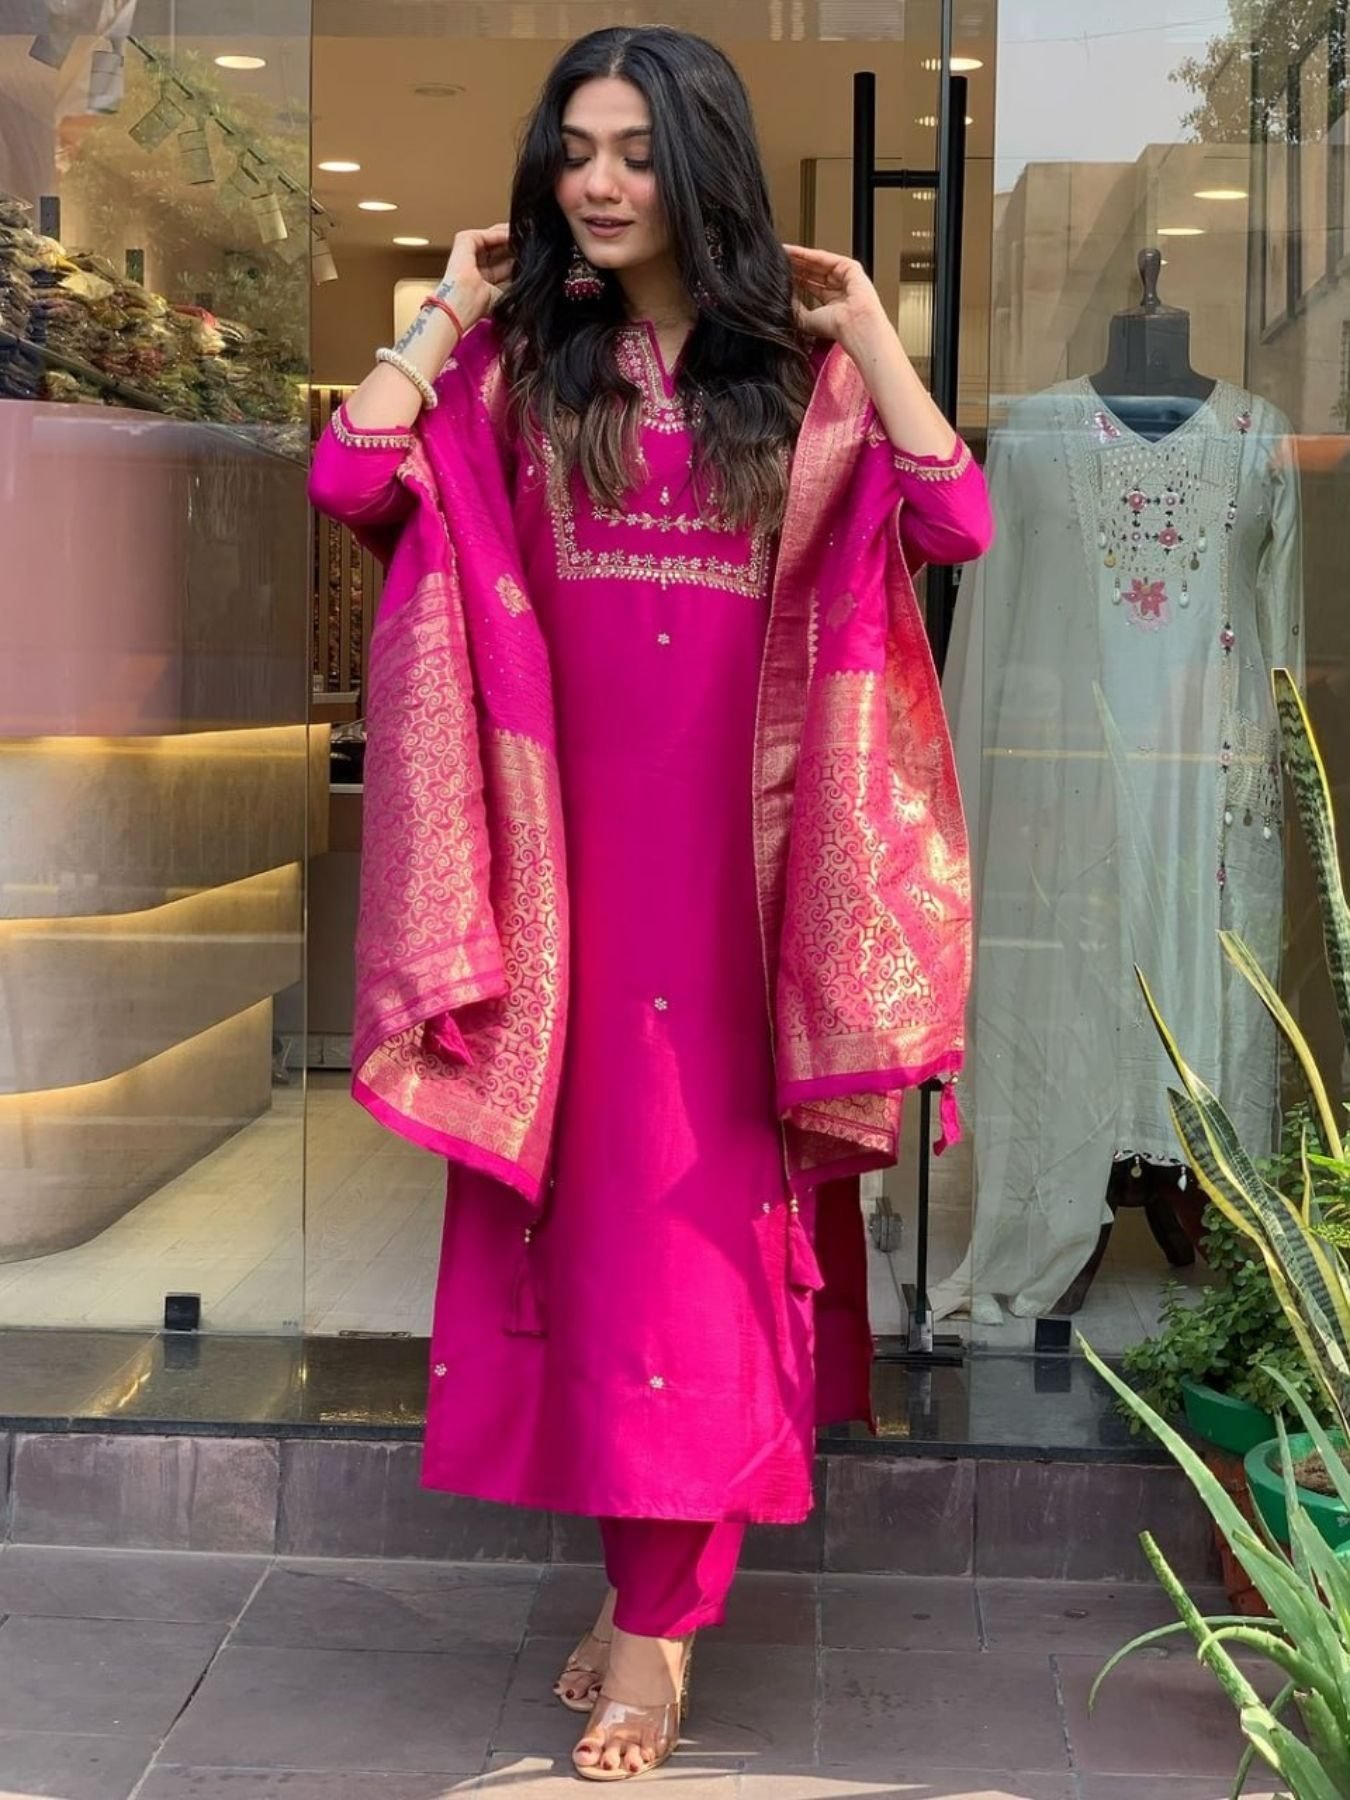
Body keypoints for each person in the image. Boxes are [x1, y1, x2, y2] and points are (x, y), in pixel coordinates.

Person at [309, 24, 992, 1783]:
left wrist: (872, 333)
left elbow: (956, 520)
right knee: (597, 1239)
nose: (598, 183)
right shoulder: (525, 367)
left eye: (632, 151)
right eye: (575, 151)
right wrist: (442, 311)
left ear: (700, 165)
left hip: (747, 875)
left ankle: (655, 1630)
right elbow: (348, 479)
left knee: (700, 1238)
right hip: (561, 868)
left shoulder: (795, 379)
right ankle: (644, 1600)